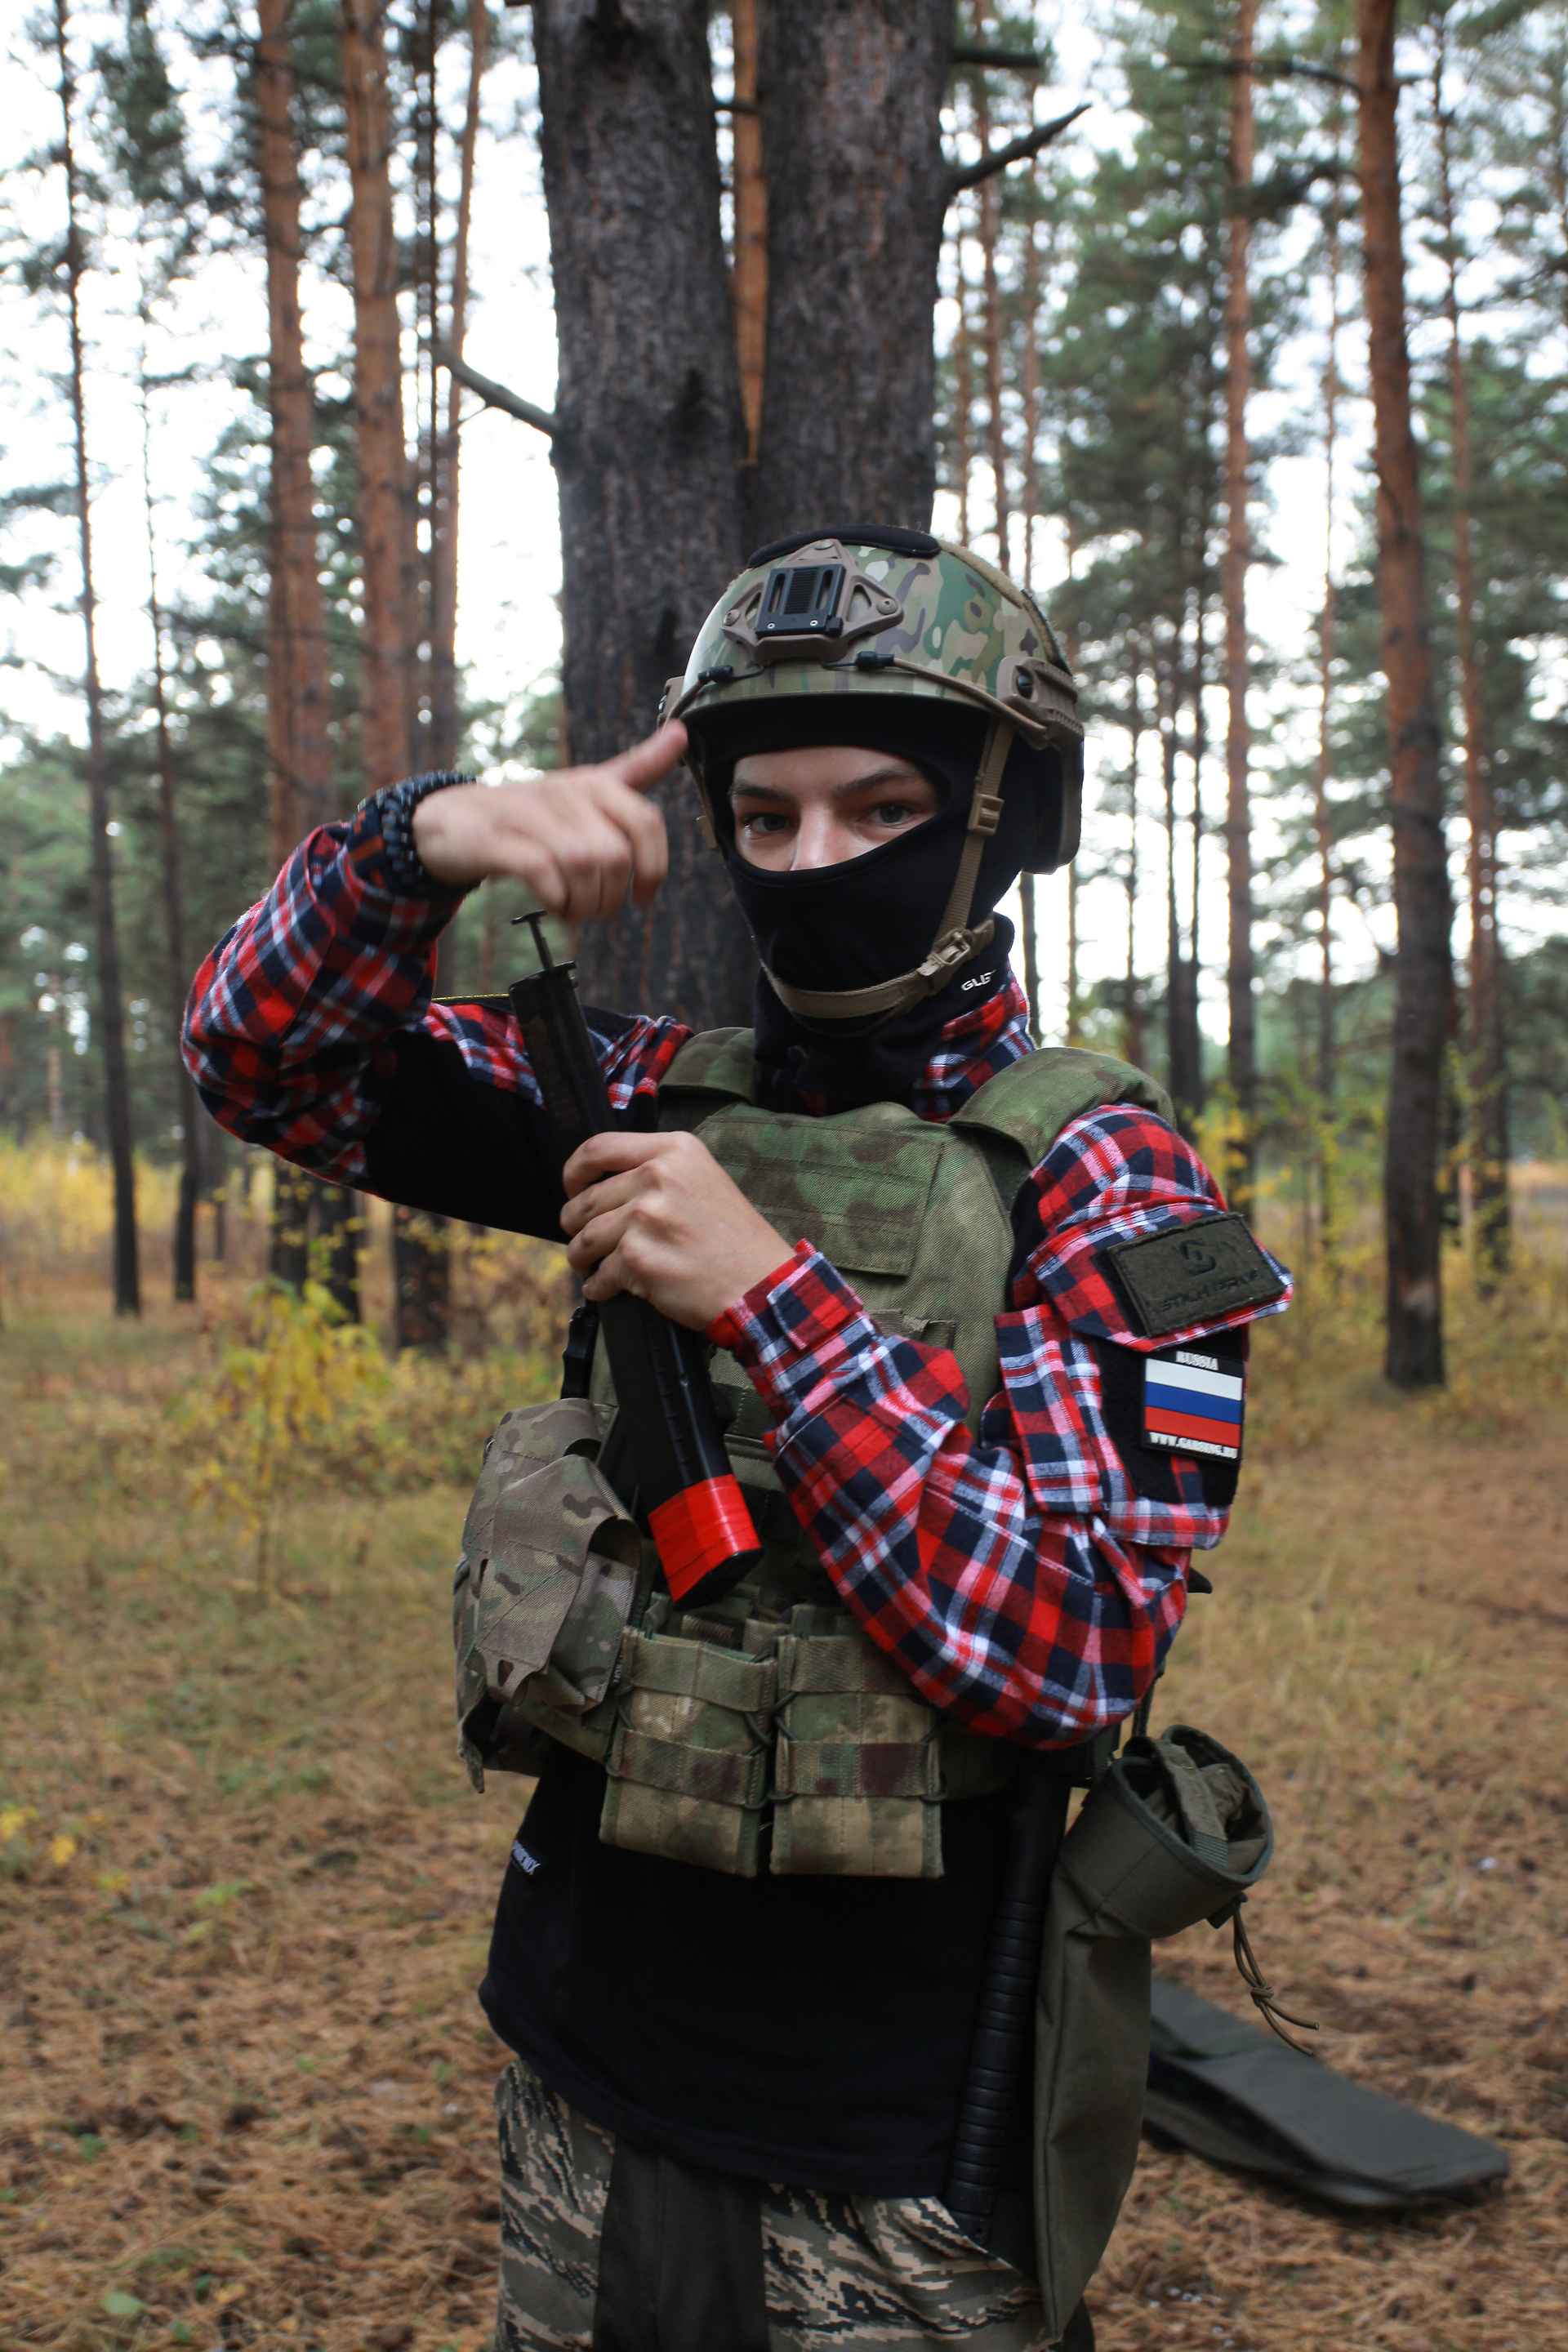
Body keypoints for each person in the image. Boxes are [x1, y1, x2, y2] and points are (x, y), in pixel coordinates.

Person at [185, 528, 1290, 2352]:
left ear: (1004, 820)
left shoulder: (1106, 1176)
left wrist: (776, 1300)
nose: (809, 863)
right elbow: (262, 1062)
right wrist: (415, 844)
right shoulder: (634, 1096)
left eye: (879, 809)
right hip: (587, 2063)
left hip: (901, 2137)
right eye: (763, 818)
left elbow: (1079, 1651)